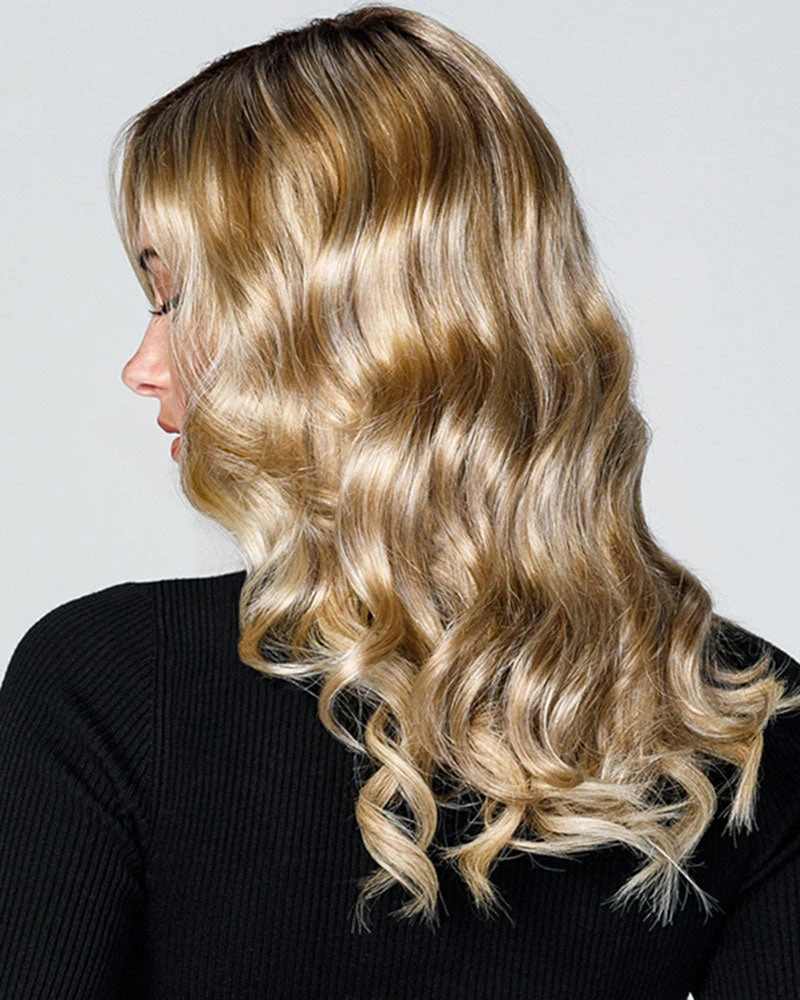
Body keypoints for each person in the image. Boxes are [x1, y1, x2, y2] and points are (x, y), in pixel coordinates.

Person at [1, 5, 798, 998]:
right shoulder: (744, 721)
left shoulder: (116, 684)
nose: (142, 365)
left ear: (329, 326)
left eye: (175, 298)